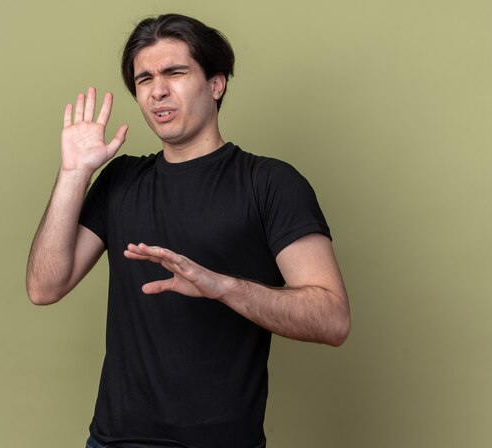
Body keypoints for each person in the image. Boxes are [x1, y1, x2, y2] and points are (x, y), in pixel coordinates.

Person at [26, 13, 350, 448]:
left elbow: (332, 319)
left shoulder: (270, 183)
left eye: (174, 73)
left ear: (216, 84)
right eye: (144, 79)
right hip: (115, 442)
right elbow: (44, 286)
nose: (157, 89)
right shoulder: (120, 180)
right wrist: (73, 174)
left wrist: (223, 287)